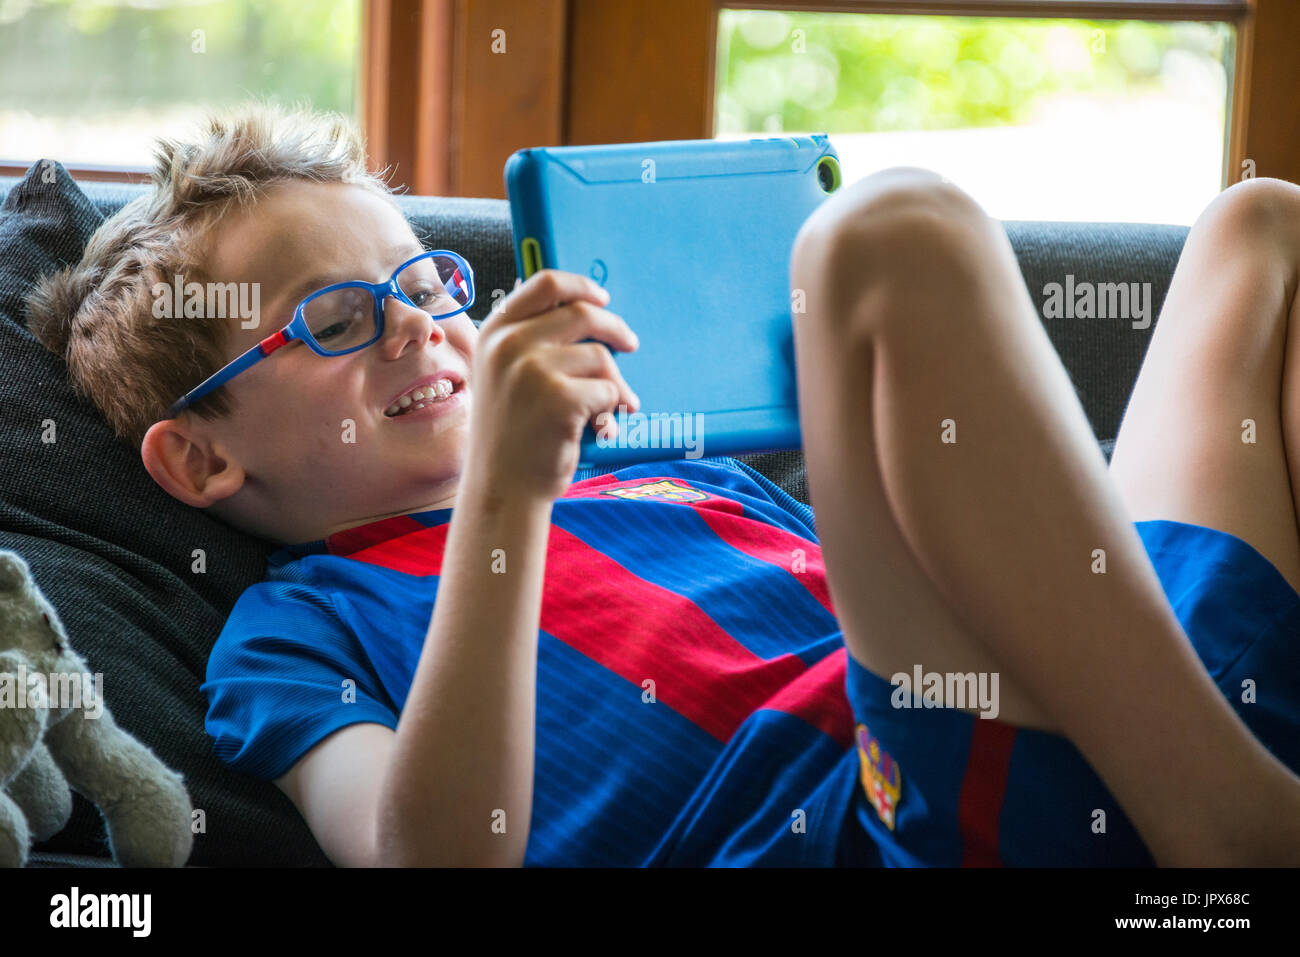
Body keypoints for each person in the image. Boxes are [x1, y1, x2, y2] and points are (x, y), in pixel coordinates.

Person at [27, 102, 1300, 866]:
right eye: (338, 320)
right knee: (881, 237)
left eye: (425, 287)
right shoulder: (294, 635)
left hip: (1130, 707)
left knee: (1261, 233)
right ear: (200, 457)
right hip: (880, 810)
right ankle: (1238, 835)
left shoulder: (682, 477)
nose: (421, 330)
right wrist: (505, 505)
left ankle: (1205, 784)